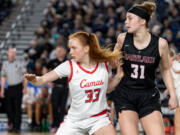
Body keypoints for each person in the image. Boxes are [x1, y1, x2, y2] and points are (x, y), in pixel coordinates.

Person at [24, 31, 123, 135]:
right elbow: (42, 80)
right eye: (70, 48)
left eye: (74, 48)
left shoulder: (104, 65)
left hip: (99, 118)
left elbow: (107, 89)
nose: (70, 52)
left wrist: (118, 77)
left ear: (86, 48)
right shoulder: (69, 66)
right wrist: (35, 80)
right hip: (75, 120)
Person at [112, 2, 179, 135]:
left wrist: (172, 94)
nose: (126, 22)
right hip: (126, 94)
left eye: (130, 18)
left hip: (148, 95)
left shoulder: (161, 44)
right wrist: (114, 61)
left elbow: (165, 70)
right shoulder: (122, 39)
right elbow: (114, 64)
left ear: (142, 21)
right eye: (126, 19)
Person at [0, 46, 27, 133]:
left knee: (17, 107)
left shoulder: (20, 63)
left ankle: (17, 127)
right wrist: (2, 89)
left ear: (15, 54)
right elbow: (3, 77)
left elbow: (25, 76)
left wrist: (25, 87)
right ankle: (12, 123)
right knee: (9, 108)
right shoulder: (5, 64)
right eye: (10, 52)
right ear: (8, 53)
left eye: (13, 52)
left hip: (18, 87)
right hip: (9, 87)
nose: (12, 54)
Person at [42, 45, 68, 132]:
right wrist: (48, 81)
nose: (58, 52)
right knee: (54, 106)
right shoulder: (52, 61)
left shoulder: (68, 62)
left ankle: (61, 125)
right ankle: (54, 125)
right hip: (55, 88)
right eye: (57, 51)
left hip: (65, 88)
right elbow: (44, 69)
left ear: (64, 52)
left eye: (60, 50)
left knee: (63, 106)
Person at [163, 49, 180, 135]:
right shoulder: (169, 68)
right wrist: (167, 90)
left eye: (167, 58)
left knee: (178, 122)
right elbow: (173, 81)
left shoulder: (175, 64)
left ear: (171, 57)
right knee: (177, 123)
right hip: (177, 95)